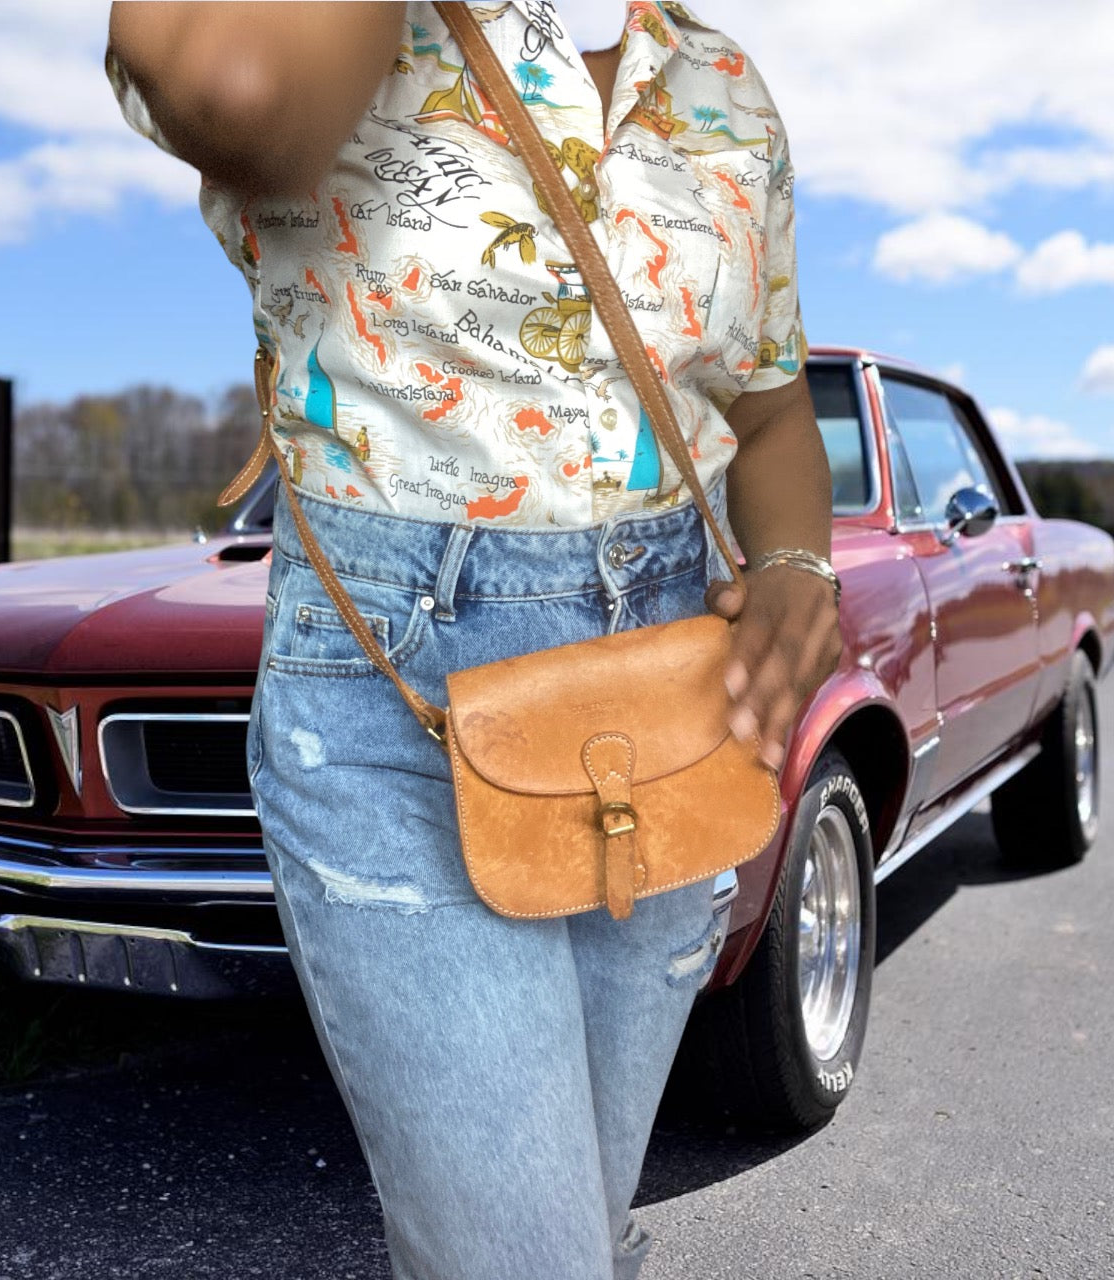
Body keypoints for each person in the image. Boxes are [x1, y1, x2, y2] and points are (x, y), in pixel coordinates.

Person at [106, 3, 842, 1276]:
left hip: (668, 698)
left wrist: (791, 564)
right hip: (398, 688)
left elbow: (768, 412)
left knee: (577, 1230)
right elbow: (229, 86)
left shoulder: (720, 81)